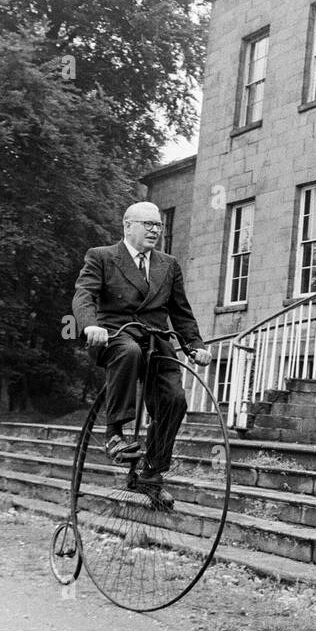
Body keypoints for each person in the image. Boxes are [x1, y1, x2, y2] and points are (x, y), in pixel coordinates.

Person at [72, 201, 210, 503]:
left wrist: (195, 345)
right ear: (127, 226)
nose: (154, 230)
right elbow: (84, 295)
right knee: (130, 351)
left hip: (157, 341)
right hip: (115, 336)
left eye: (158, 225)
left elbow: (180, 312)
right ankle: (114, 433)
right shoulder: (102, 257)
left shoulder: (168, 264)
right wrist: (89, 326)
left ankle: (152, 473)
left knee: (174, 399)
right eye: (148, 224)